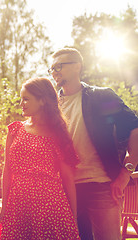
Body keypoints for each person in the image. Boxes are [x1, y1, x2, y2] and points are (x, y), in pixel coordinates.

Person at [49, 47, 138, 240]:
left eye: (59, 66)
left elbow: (134, 126)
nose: (54, 72)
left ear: (77, 67)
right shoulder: (52, 105)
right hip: (66, 191)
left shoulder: (101, 97)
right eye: (52, 68)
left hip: (102, 186)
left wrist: (126, 172)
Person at [0, 77, 80, 240]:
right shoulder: (16, 130)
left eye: (26, 99)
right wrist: (4, 205)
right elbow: (7, 171)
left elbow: (67, 178)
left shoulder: (58, 134)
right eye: (21, 99)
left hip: (50, 207)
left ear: (42, 101)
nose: (21, 103)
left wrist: (73, 218)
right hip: (18, 205)